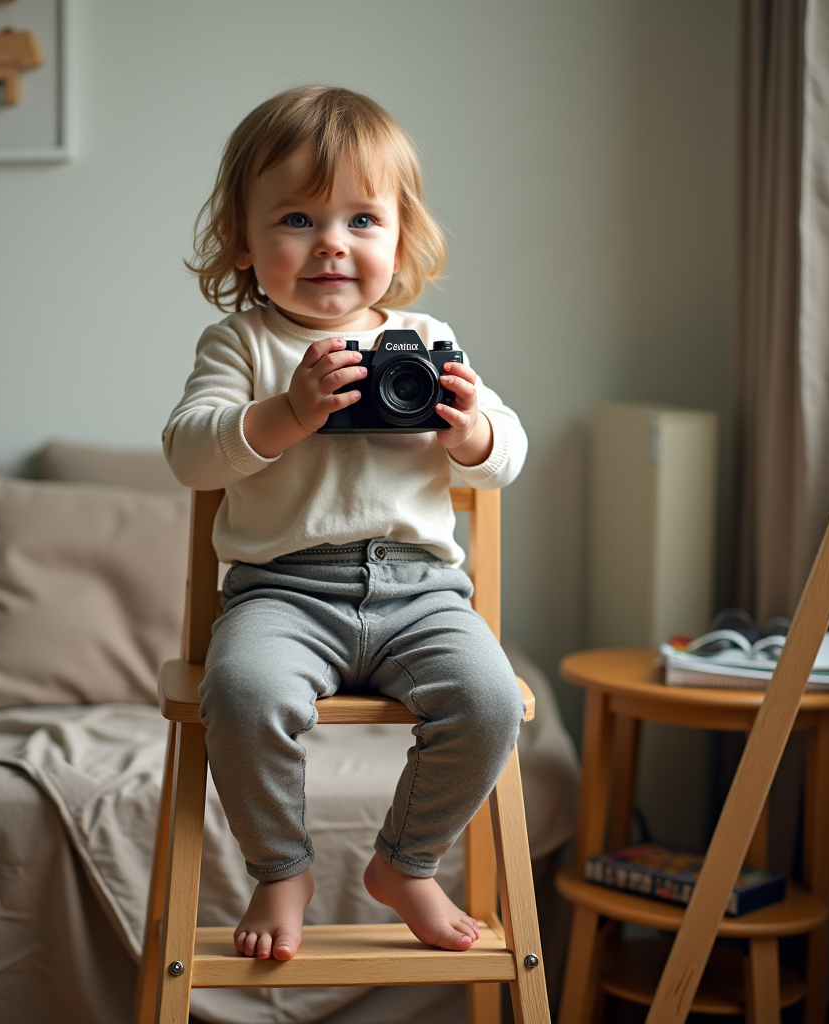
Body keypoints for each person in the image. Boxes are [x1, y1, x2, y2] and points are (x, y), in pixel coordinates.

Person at [163, 85, 528, 963]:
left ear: (401, 238)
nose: (331, 241)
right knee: (242, 694)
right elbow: (189, 453)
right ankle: (279, 866)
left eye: (363, 219)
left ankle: (405, 863)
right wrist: (287, 411)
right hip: (281, 592)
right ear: (243, 242)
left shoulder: (424, 337)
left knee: (489, 702)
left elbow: (509, 454)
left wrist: (471, 428)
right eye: (296, 217)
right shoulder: (241, 344)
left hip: (423, 592)